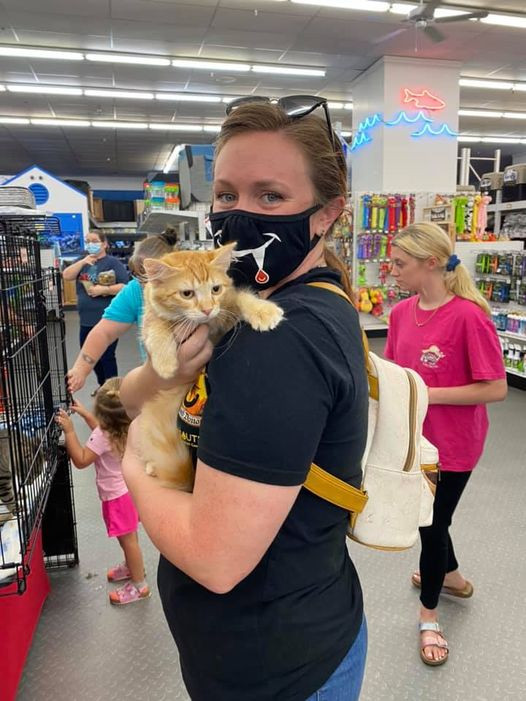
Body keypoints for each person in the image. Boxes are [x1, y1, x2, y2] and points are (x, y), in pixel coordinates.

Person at [120, 97, 369, 700]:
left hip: (275, 666)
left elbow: (215, 559)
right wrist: (163, 375)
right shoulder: (263, 300)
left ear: (326, 213)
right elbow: (132, 395)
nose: (240, 215)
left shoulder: (278, 338)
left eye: (271, 197)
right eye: (227, 195)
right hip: (303, 620)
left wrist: (130, 463)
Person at [385, 222, 507, 666]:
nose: (391, 271)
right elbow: (401, 377)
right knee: (431, 520)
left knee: (431, 526)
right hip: (415, 441)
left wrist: (427, 394)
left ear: (430, 263)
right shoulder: (400, 314)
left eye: (400, 263)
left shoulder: (469, 316)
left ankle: (429, 617)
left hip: (455, 445)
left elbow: (494, 387)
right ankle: (451, 577)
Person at [55, 378, 150, 605]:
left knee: (128, 541)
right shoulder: (126, 428)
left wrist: (69, 431)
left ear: (105, 418)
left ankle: (140, 586)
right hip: (128, 491)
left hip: (116, 497)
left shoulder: (103, 436)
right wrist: (87, 415)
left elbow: (80, 459)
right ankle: (132, 567)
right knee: (128, 538)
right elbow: (102, 432)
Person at [67, 231, 178, 394]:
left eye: (155, 278)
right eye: (142, 279)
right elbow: (103, 332)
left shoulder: (191, 289)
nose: (147, 286)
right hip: (157, 380)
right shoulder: (136, 290)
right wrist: (79, 370)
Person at [62, 230, 128, 394]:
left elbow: (124, 286)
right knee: (91, 356)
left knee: (107, 356)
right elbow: (66, 275)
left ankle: (114, 390)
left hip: (107, 320)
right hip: (85, 320)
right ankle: (102, 386)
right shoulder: (82, 262)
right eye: (88, 241)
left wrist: (103, 289)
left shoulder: (113, 263)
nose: (90, 244)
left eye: (94, 241)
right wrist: (83, 261)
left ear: (104, 244)